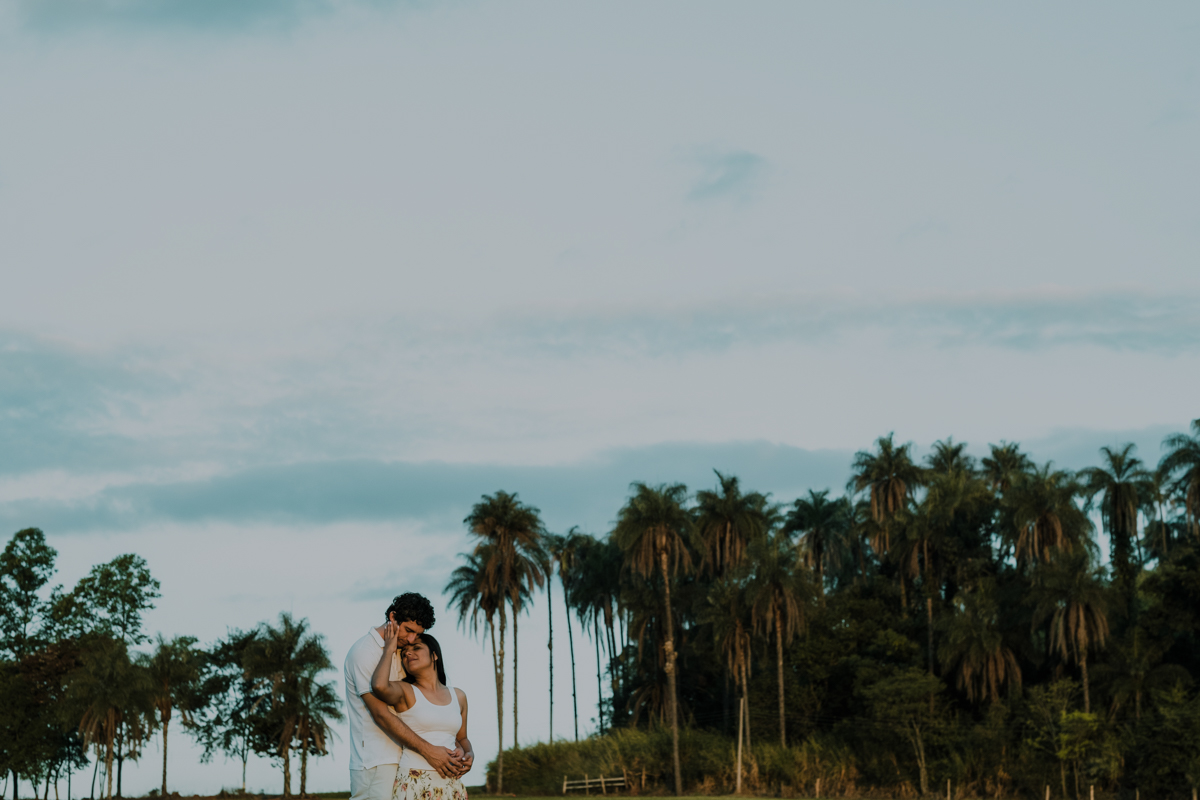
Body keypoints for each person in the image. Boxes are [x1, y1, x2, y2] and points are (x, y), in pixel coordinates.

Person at [345, 593, 466, 800]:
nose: (411, 639)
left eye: (418, 634)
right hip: (377, 760)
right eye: (409, 630)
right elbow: (381, 714)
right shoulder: (365, 652)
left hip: (406, 759)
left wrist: (460, 748)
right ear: (393, 617)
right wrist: (429, 751)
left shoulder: (404, 652)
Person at [372, 625, 474, 800]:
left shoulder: (459, 696)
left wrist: (469, 753)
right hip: (414, 780)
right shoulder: (405, 691)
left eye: (416, 648)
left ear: (434, 655)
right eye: (404, 654)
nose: (408, 654)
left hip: (451, 783)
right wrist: (389, 649)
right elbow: (379, 686)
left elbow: (462, 738)